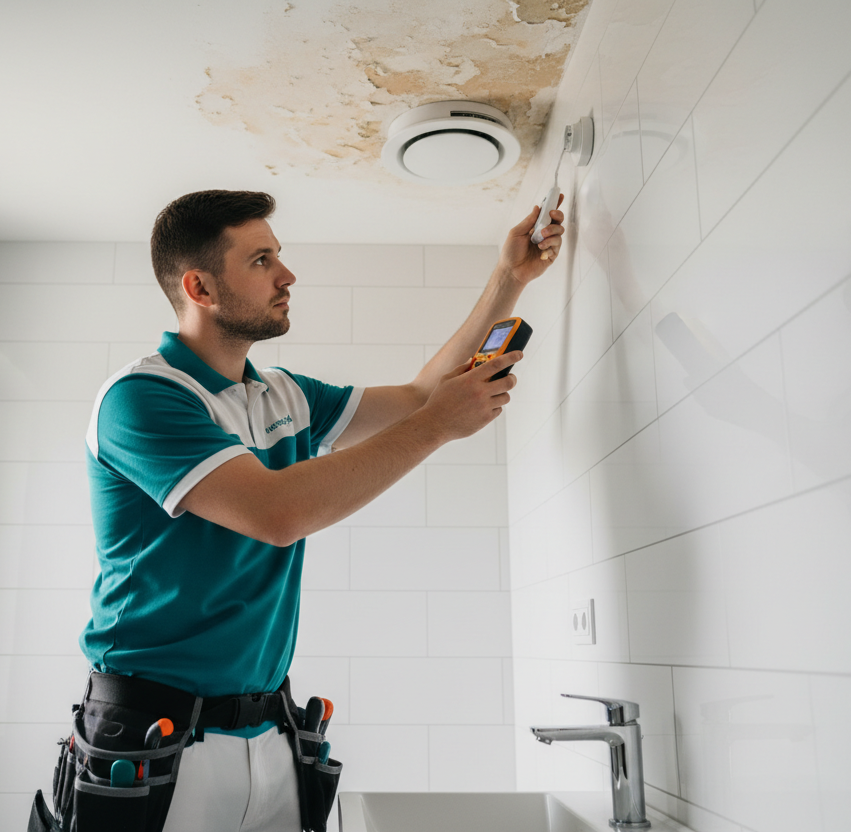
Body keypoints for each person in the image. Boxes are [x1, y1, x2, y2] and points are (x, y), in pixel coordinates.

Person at [63, 189, 564, 832]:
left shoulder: (282, 394)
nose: (287, 274)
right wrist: (438, 426)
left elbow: (417, 397)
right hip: (156, 739)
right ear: (201, 287)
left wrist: (508, 279)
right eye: (262, 259)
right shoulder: (142, 399)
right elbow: (278, 513)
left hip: (272, 730)